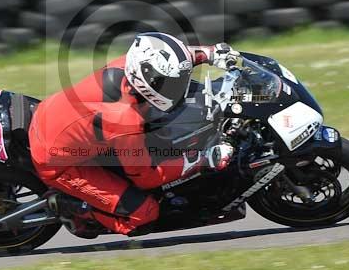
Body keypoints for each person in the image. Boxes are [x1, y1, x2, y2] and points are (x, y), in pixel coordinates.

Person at [28, 32, 239, 237]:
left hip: (53, 117)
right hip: (57, 163)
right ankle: (72, 207)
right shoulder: (124, 119)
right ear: (146, 80)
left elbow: (173, 61)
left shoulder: (129, 65)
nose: (178, 88)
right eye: (168, 83)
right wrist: (204, 159)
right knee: (144, 214)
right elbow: (146, 178)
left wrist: (210, 53)